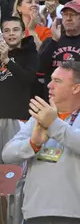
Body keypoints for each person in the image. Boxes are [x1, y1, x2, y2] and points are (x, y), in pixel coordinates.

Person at [2, 61, 80, 224]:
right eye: (51, 80)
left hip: (79, 218)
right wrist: (33, 144)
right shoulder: (37, 118)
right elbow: (7, 154)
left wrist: (53, 124)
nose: (49, 85)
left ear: (76, 88)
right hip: (35, 216)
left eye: (57, 81)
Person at [38, 1, 80, 85]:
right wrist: (54, 41)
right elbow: (40, 68)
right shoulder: (50, 41)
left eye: (73, 14)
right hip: (54, 94)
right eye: (65, 15)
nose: (68, 18)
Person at [0, 17, 38, 160]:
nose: (11, 34)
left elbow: (28, 79)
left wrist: (7, 61)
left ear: (23, 33)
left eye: (15, 30)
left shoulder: (30, 53)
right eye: (6, 30)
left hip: (17, 118)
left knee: (13, 166)